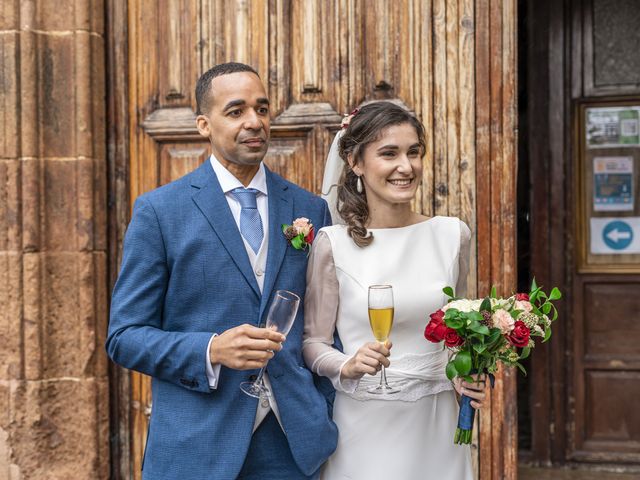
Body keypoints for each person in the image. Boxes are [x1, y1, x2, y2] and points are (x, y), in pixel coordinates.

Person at [106, 62, 338, 480]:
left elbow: (325, 324)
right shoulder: (160, 212)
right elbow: (124, 337)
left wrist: (321, 407)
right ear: (203, 124)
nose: (255, 122)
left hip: (291, 444)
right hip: (197, 446)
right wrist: (211, 350)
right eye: (236, 111)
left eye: (262, 109)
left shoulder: (310, 209)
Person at [303, 101, 487, 479]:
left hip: (435, 424)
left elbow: (458, 333)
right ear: (355, 162)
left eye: (414, 153)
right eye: (389, 154)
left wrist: (466, 372)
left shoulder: (452, 235)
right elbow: (312, 342)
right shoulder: (332, 244)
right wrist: (346, 365)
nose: (406, 166)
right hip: (364, 426)